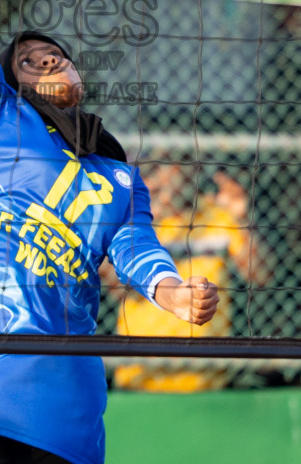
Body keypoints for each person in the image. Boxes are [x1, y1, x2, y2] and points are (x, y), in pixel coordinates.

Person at [0, 0, 217, 464]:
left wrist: (172, 292)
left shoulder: (119, 177)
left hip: (59, 393)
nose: (47, 59)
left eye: (57, 56)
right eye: (28, 60)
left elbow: (137, 249)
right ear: (9, 82)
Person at [106, 157, 270, 391]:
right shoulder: (133, 219)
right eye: (151, 172)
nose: (160, 179)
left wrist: (242, 218)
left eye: (167, 167)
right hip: (138, 377)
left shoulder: (217, 216)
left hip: (206, 379)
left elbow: (260, 274)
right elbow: (113, 287)